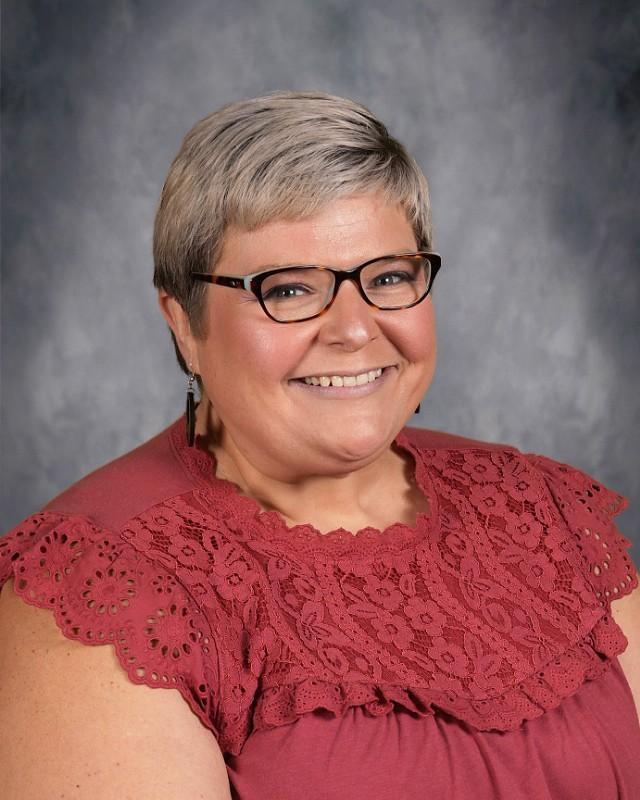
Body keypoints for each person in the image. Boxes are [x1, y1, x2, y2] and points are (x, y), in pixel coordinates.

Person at [1, 91, 639, 800]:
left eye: (388, 277)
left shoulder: (540, 509)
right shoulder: (100, 588)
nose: (355, 329)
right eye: (289, 290)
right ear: (184, 323)